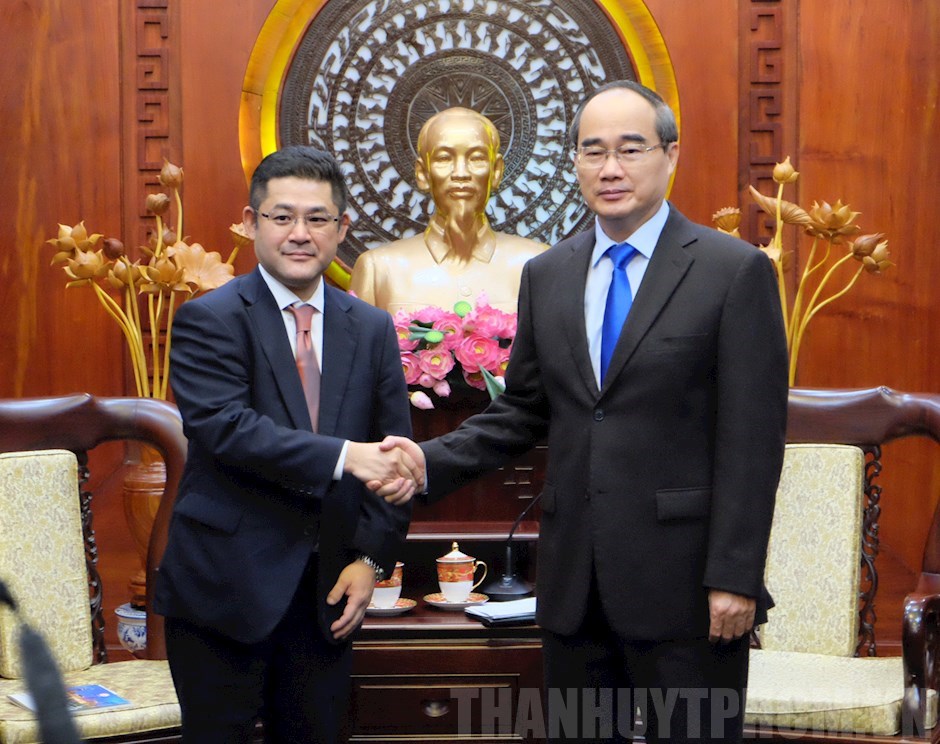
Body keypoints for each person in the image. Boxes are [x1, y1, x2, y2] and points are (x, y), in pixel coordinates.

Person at [383, 81, 789, 742]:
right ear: (574, 161)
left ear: (670, 155)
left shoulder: (732, 271)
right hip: (575, 584)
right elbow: (522, 412)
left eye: (630, 149)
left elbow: (753, 441)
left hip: (688, 587)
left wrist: (735, 577)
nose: (610, 168)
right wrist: (425, 461)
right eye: (593, 151)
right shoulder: (550, 274)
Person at [154, 145, 421, 743]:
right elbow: (226, 427)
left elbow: (394, 457)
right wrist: (345, 456)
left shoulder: (371, 327)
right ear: (252, 223)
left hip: (327, 591)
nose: (300, 233)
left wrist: (372, 561)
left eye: (317, 218)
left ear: (341, 229)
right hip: (224, 589)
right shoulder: (209, 318)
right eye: (282, 217)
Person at [349, 107, 546, 314]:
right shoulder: (378, 270)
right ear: (423, 173)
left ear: (496, 171)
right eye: (444, 158)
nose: (461, 173)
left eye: (476, 158)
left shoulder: (538, 265)